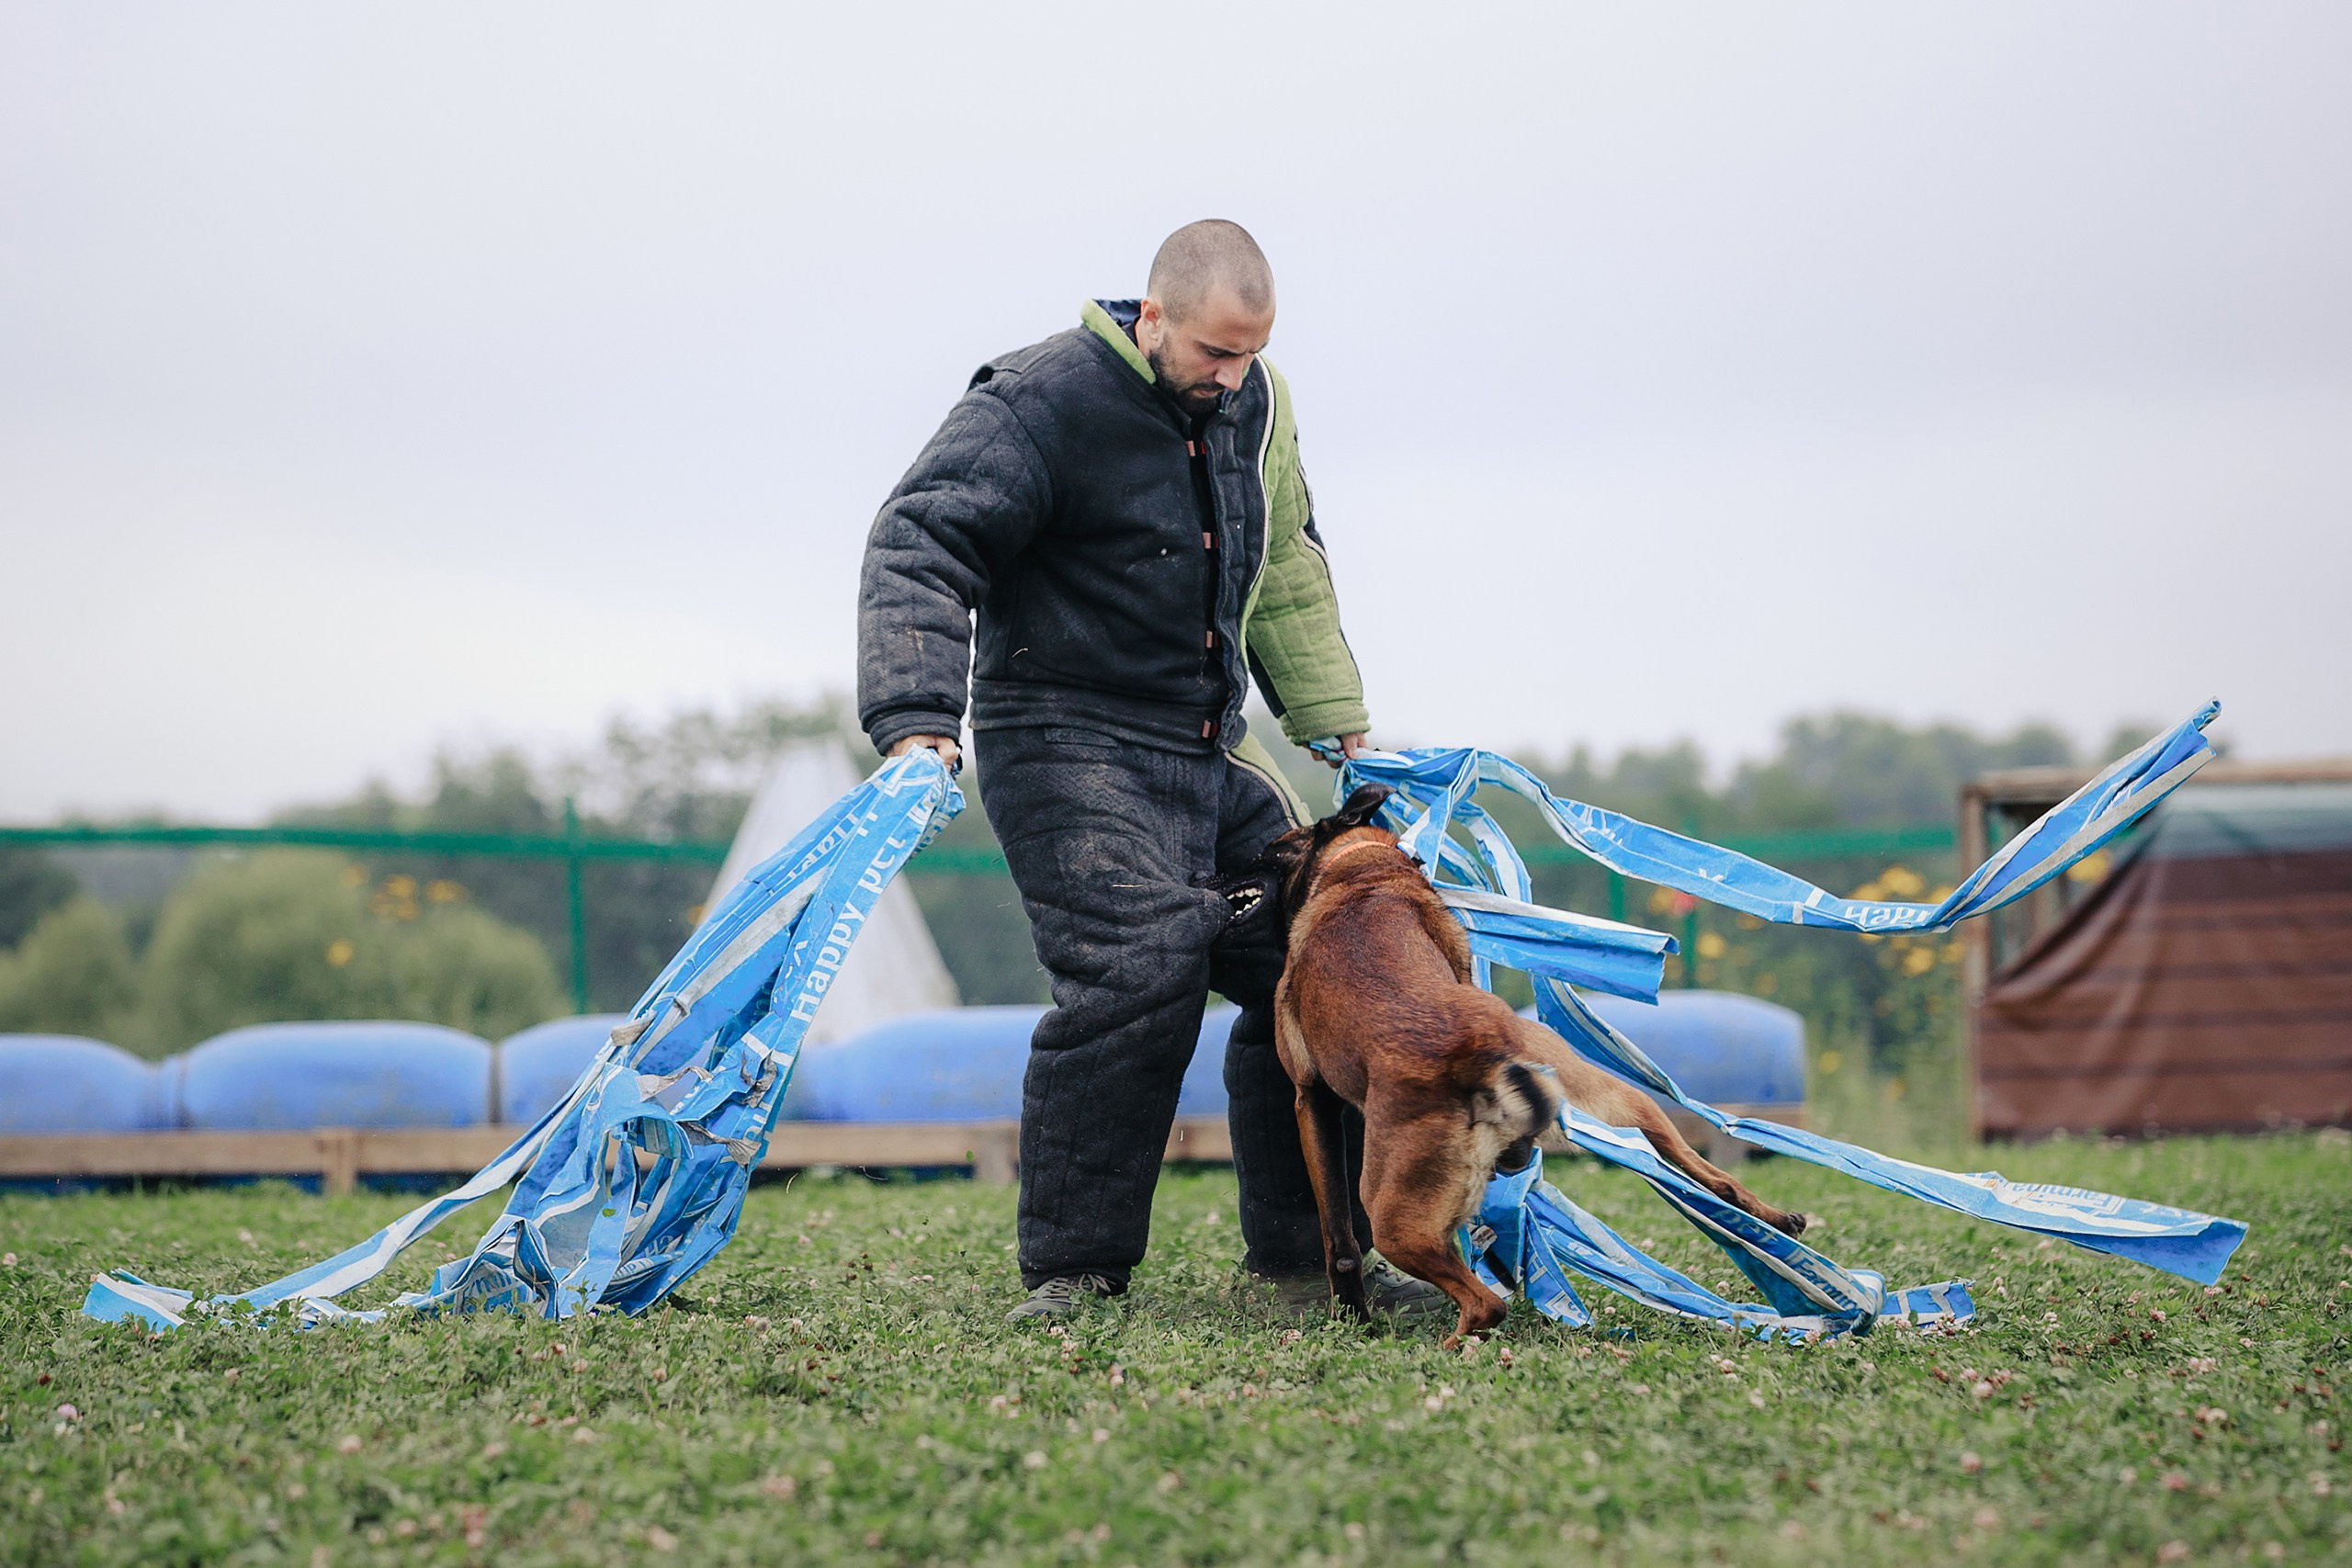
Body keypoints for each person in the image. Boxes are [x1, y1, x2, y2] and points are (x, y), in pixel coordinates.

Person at [857, 220, 1442, 1321]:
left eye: (1249, 356)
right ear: (1153, 315)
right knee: (1139, 969)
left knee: (1334, 958)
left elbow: (1287, 570)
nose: (1231, 379)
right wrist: (916, 716)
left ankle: (1310, 1259)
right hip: (1063, 738)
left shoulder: (1256, 407)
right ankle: (1075, 1270)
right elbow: (922, 539)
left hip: (1204, 743)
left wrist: (1341, 728)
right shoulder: (1039, 400)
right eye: (1214, 354)